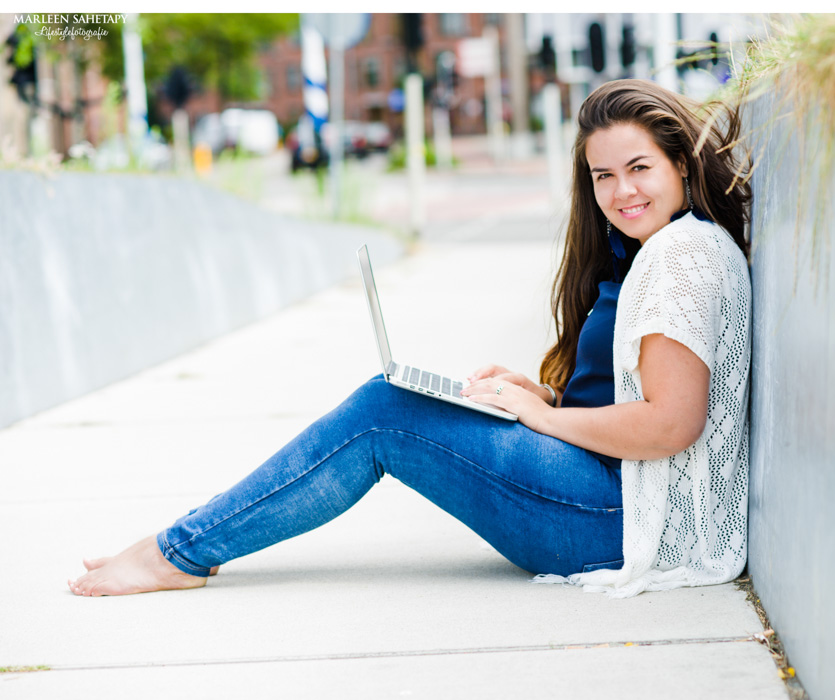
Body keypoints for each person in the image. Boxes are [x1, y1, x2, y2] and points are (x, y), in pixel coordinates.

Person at [68, 78, 752, 599]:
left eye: (640, 168)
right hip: (604, 496)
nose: (620, 191)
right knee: (396, 402)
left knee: (384, 413)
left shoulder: (682, 256)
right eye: (603, 175)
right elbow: (637, 385)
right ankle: (184, 546)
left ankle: (178, 553)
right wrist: (537, 393)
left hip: (614, 519)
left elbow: (672, 421)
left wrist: (544, 417)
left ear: (681, 167)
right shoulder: (652, 247)